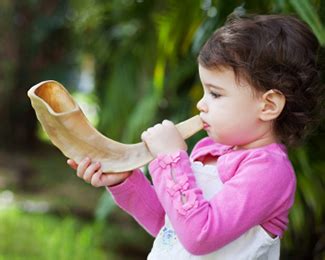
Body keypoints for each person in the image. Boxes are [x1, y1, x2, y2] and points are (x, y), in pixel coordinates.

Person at [67, 13, 323, 259]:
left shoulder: (269, 171)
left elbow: (199, 236)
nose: (201, 104)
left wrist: (170, 159)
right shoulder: (207, 149)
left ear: (268, 106)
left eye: (215, 94)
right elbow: (170, 226)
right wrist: (124, 180)